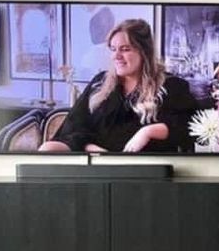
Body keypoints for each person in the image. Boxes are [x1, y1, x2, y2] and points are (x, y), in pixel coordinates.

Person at [38, 18, 199, 153]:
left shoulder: (171, 86)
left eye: (125, 49)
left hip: (142, 168)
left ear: (144, 52)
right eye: (113, 49)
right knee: (48, 148)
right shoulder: (99, 83)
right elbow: (74, 127)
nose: (116, 56)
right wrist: (91, 148)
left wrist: (147, 132)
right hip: (95, 160)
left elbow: (186, 126)